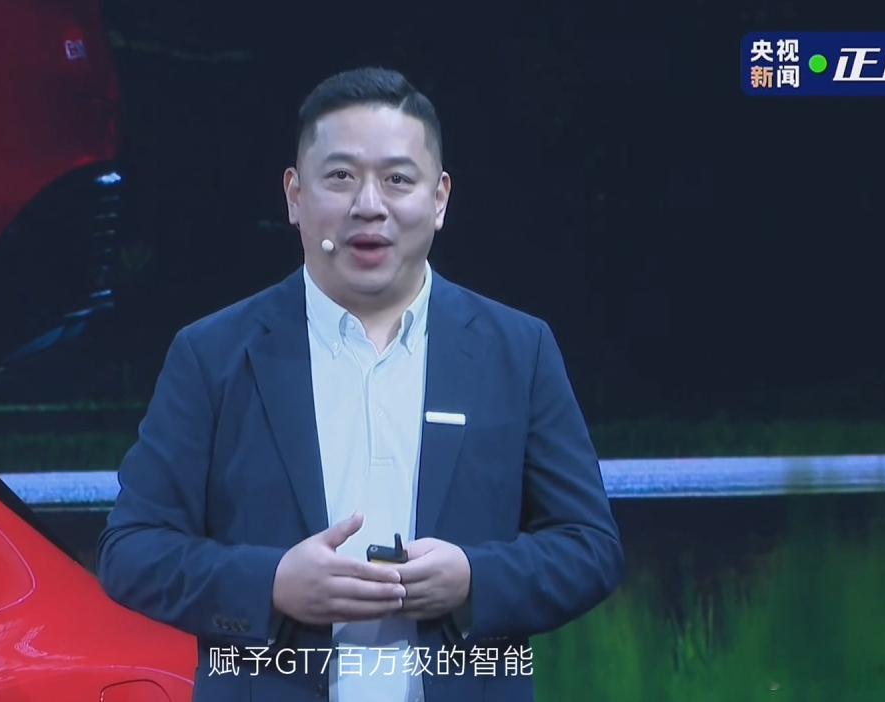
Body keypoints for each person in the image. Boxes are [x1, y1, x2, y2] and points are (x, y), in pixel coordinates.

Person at [97, 66, 623, 702]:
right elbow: (132, 551)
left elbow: (590, 547)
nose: (368, 205)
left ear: (440, 198)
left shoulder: (518, 350)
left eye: (398, 179)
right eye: (340, 176)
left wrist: (472, 579)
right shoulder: (212, 355)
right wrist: (271, 584)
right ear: (294, 195)